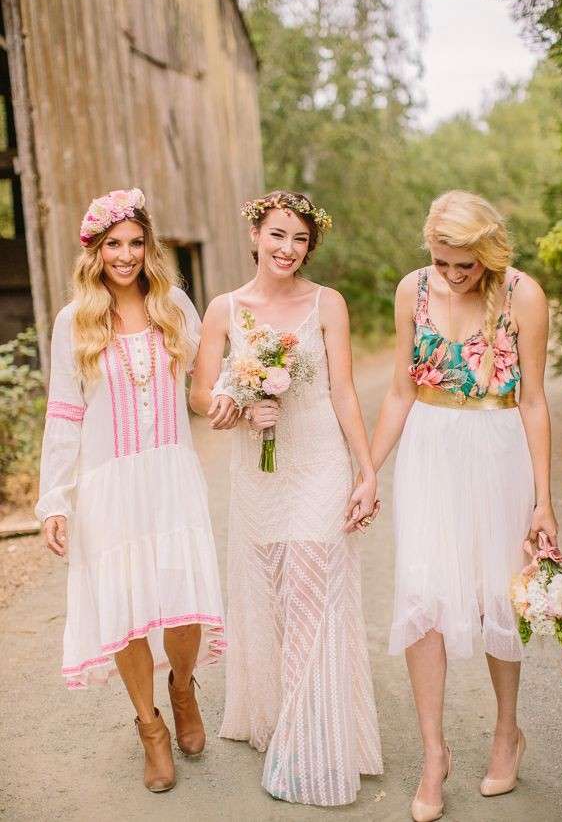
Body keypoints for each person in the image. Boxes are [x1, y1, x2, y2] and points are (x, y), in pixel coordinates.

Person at [370, 190, 558, 822]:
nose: (452, 275)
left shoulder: (523, 296)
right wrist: (369, 470)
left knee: (498, 593)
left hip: (498, 448)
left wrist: (544, 501)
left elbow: (534, 400)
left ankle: (507, 732)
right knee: (423, 593)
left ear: (488, 252)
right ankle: (434, 754)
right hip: (429, 451)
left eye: (466, 265)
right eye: (442, 262)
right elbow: (401, 391)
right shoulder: (412, 290)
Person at [190, 190, 383, 805]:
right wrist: (238, 405)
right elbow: (200, 393)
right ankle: (277, 713)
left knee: (311, 588)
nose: (288, 248)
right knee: (272, 593)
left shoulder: (328, 303)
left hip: (320, 461)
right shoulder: (225, 308)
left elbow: (343, 390)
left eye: (300, 239)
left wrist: (366, 471)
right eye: (278, 234)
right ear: (256, 235)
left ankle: (310, 743)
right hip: (258, 471)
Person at [37, 188, 225, 793]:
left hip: (171, 475)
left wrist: (250, 388)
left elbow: (209, 380)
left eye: (136, 243)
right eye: (114, 244)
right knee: (126, 609)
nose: (125, 255)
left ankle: (182, 689)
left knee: (183, 597)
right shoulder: (75, 321)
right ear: (95, 251)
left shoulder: (174, 306)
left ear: (149, 248)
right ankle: (150, 727)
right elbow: (64, 413)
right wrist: (54, 498)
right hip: (109, 486)